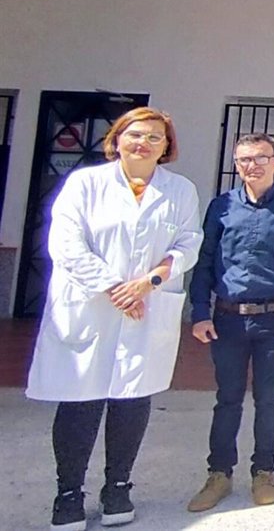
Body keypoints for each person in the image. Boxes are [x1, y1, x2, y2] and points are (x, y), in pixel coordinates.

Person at [26, 107, 202, 531]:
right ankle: (68, 494)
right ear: (117, 139)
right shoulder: (85, 184)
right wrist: (114, 287)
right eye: (135, 134)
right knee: (80, 399)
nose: (143, 143)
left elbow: (188, 243)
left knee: (132, 398)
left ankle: (118, 487)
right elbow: (66, 243)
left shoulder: (180, 190)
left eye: (155, 137)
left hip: (146, 303)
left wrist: (148, 283)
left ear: (166, 147)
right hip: (91, 304)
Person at [186, 133, 274, 512]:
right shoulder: (222, 206)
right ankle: (218, 474)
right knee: (227, 399)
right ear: (236, 164)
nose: (252, 165)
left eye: (261, 157)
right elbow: (205, 260)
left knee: (268, 397)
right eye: (244, 159)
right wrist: (199, 311)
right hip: (227, 319)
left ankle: (264, 471)